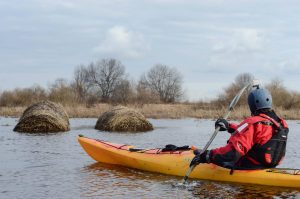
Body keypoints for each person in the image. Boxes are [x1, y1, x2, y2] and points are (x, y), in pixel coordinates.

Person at [190, 87, 289, 170]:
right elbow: (257, 136)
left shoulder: (253, 123)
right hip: (268, 167)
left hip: (249, 168)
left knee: (217, 156)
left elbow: (231, 154)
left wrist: (207, 156)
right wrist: (228, 126)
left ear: (252, 105)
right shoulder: (281, 124)